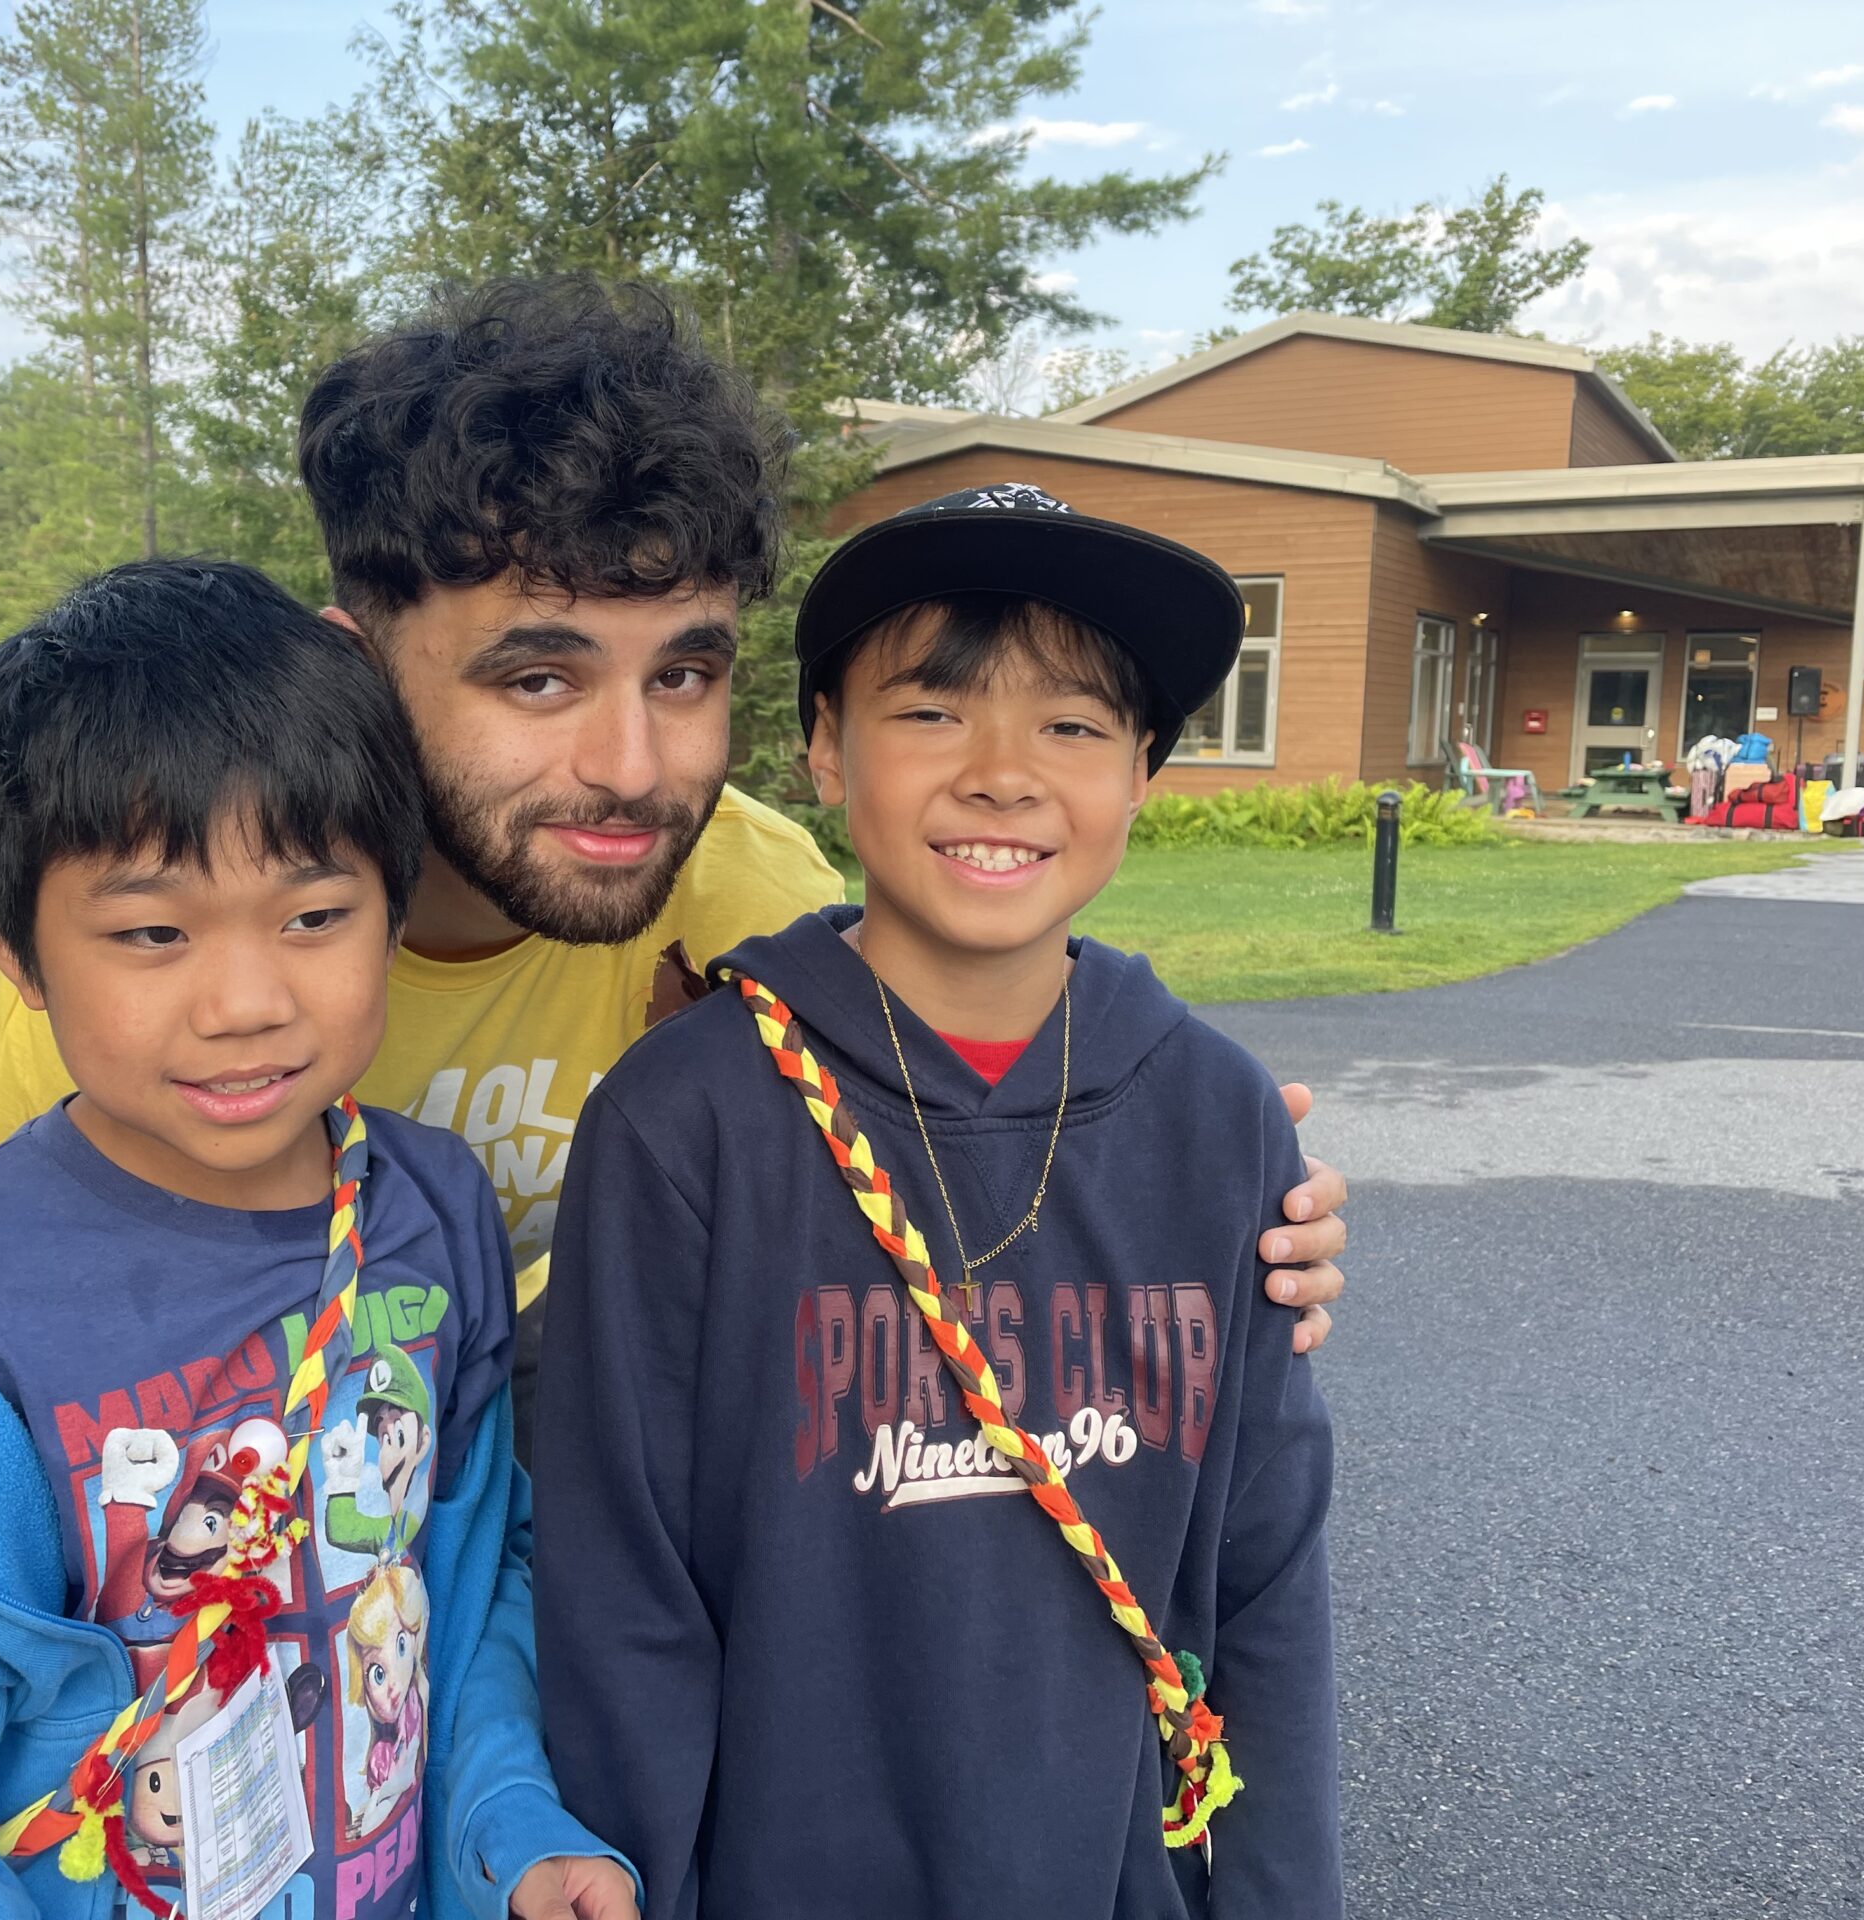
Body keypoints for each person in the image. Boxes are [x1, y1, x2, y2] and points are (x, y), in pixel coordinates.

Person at [0, 278, 1353, 1596]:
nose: (634, 765)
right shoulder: (147, 967)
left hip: (595, 1623)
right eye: (537, 676)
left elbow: (1020, 1113)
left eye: (682, 672)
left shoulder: (744, 898)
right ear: (355, 659)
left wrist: (1226, 1209)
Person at [0, 560, 635, 1920]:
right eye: (151, 931)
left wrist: (511, 1827)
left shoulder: (435, 1216)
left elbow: (462, 1578)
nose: (247, 1001)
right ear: (19, 961)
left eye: (315, 915)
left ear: (396, 909)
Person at [533, 486, 1342, 1918]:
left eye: (1076, 726)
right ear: (825, 749)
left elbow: (1265, 1569)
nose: (1003, 774)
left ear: (1144, 770)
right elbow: (622, 1594)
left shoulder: (1220, 1120)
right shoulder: (684, 1121)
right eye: (931, 713)